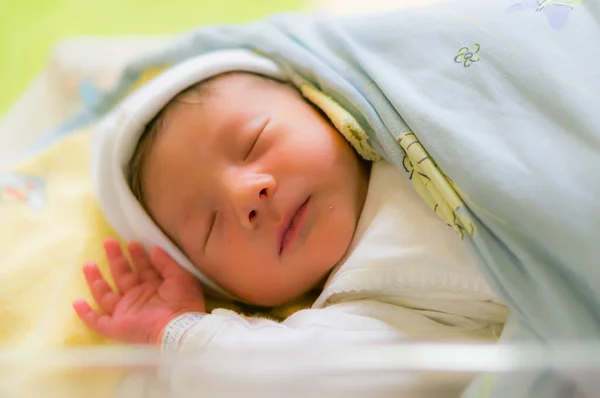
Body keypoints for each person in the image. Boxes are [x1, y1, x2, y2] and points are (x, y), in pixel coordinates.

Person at [74, 50, 507, 352]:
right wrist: (178, 333)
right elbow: (301, 378)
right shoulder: (361, 310)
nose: (247, 195)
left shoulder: (418, 116)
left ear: (322, 106)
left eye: (254, 141)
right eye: (210, 225)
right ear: (222, 290)